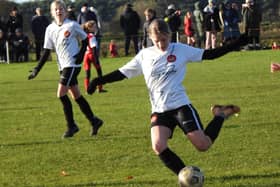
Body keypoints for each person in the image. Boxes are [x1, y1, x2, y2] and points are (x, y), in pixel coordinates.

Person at [87, 19, 248, 176]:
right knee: (158, 146)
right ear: (150, 38)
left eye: (164, 40)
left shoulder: (180, 50)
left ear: (170, 35)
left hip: (180, 106)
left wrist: (236, 43)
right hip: (159, 110)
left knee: (203, 145)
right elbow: (122, 73)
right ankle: (187, 176)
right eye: (157, 41)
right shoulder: (145, 55)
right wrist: (98, 81)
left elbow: (210, 54)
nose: (161, 44)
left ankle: (220, 114)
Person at [28, 0, 103, 138]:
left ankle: (71, 126)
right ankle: (94, 121)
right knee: (76, 95)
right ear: (52, 12)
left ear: (65, 10)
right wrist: (36, 69)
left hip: (73, 65)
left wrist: (81, 54)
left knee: (61, 94)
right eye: (55, 9)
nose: (58, 11)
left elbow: (86, 38)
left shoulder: (72, 25)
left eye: (61, 8)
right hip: (62, 66)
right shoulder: (50, 29)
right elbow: (46, 51)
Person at [82, 20, 107, 93]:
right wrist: (96, 58)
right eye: (94, 27)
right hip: (92, 54)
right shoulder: (92, 36)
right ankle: (100, 88)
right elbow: (93, 47)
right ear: (90, 28)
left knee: (87, 73)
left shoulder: (85, 35)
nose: (95, 28)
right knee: (99, 72)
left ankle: (87, 89)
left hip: (86, 55)